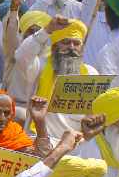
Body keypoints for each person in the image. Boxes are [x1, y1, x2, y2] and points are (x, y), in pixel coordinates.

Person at [13, 16, 97, 146]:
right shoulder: (40, 67)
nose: (71, 48)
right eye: (65, 42)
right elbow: (20, 56)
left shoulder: (90, 73)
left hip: (75, 145)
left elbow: (93, 112)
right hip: (40, 141)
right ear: (54, 46)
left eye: (76, 43)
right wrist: (47, 30)